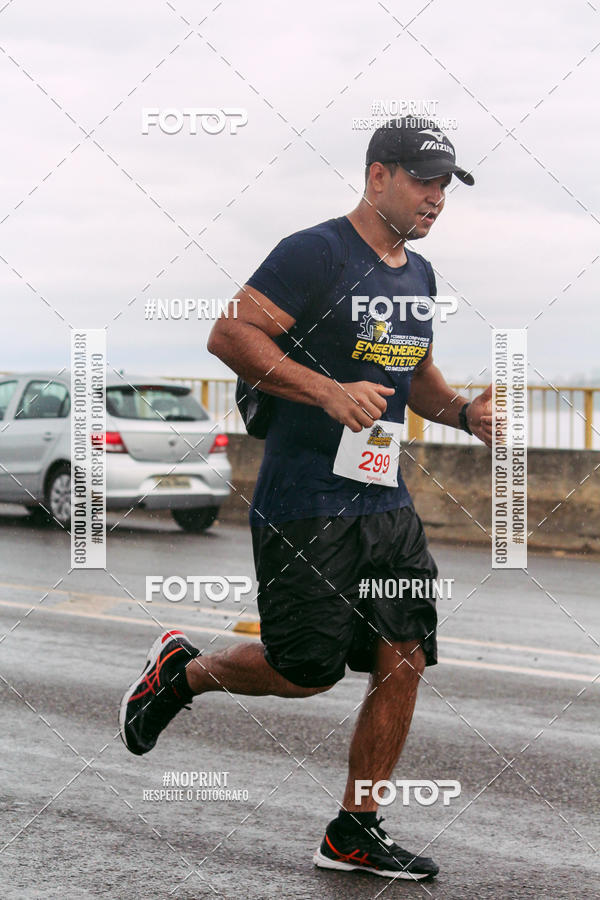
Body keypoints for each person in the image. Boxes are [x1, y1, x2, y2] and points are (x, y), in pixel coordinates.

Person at [119, 118, 493, 881]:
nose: (436, 198)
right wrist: (325, 390)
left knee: (404, 657)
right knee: (306, 670)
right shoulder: (315, 252)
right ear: (377, 175)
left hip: (385, 502)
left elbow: (415, 374)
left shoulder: (418, 275)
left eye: (445, 186)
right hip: (306, 500)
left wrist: (461, 412)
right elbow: (231, 335)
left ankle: (355, 829)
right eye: (424, 181)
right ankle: (183, 671)